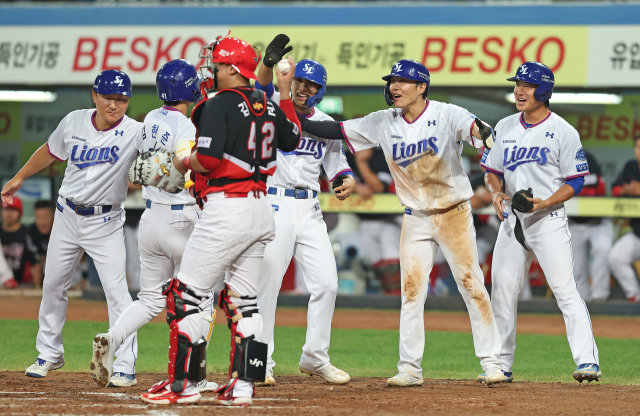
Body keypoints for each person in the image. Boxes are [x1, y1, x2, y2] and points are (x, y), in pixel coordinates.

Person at [296, 59, 507, 387]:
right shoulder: (383, 121)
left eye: (403, 81)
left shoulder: (444, 113)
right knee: (411, 292)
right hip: (415, 218)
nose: (394, 86)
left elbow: (476, 129)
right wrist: (284, 109)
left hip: (453, 213)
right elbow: (332, 130)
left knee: (471, 284)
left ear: (421, 87)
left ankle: (492, 363)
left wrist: (483, 135)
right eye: (392, 80)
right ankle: (410, 368)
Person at [139, 34, 301, 406]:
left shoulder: (217, 104)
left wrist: (178, 164)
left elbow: (207, 161)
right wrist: (284, 91)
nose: (210, 68)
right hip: (263, 211)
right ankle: (244, 385)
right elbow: (291, 139)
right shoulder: (269, 103)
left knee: (187, 295)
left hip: (228, 207)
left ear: (231, 68)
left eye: (216, 63)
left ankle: (183, 385)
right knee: (246, 302)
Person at [1, 69, 141, 385]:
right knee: (52, 284)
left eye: (121, 99)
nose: (115, 105)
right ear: (94, 95)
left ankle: (124, 364)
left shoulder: (136, 132)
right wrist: (20, 177)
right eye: (108, 97)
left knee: (118, 294)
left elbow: (152, 166)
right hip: (66, 215)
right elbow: (50, 151)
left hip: (105, 221)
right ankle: (50, 353)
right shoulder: (75, 120)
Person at [90, 59, 217, 392]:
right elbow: (184, 166)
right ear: (188, 89)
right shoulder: (187, 126)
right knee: (199, 299)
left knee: (149, 300)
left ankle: (111, 336)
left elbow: (140, 170)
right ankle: (194, 375)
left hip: (150, 219)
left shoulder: (147, 120)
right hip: (182, 218)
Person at [481, 61, 601, 383]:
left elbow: (576, 180)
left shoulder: (563, 130)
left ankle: (588, 361)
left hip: (547, 219)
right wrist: (495, 194)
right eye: (517, 84)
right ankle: (501, 365)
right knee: (502, 291)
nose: (519, 90)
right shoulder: (504, 126)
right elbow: (491, 171)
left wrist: (547, 201)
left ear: (544, 91)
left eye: (527, 85)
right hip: (512, 221)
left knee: (565, 290)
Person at [254, 39, 355, 387]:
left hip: (310, 207)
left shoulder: (327, 124)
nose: (303, 88)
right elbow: (261, 85)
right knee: (267, 285)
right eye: (299, 82)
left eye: (310, 84)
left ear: (320, 90)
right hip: (275, 202)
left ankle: (315, 357)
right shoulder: (274, 107)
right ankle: (260, 361)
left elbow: (337, 166)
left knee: (327, 283)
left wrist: (346, 180)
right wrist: (269, 64)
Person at [568, 151, 613, 302]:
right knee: (577, 265)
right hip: (574, 222)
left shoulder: (588, 158)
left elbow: (599, 190)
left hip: (597, 222)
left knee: (603, 249)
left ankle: (600, 295)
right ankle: (581, 300)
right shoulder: (561, 162)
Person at [607, 134, 640, 302]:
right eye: (637, 147)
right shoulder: (631, 166)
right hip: (637, 233)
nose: (639, 152)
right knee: (616, 256)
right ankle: (634, 296)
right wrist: (627, 190)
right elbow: (615, 190)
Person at [1, 196, 38, 287]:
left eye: (13, 210)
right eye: (6, 209)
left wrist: (37, 287)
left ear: (20, 213)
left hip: (21, 286)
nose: (9, 213)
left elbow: (36, 264)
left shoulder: (27, 234)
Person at [27, 199, 55, 287]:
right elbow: (36, 263)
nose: (42, 222)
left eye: (46, 216)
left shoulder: (62, 230)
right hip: (43, 271)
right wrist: (37, 288)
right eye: (38, 217)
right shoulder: (32, 231)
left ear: (54, 216)